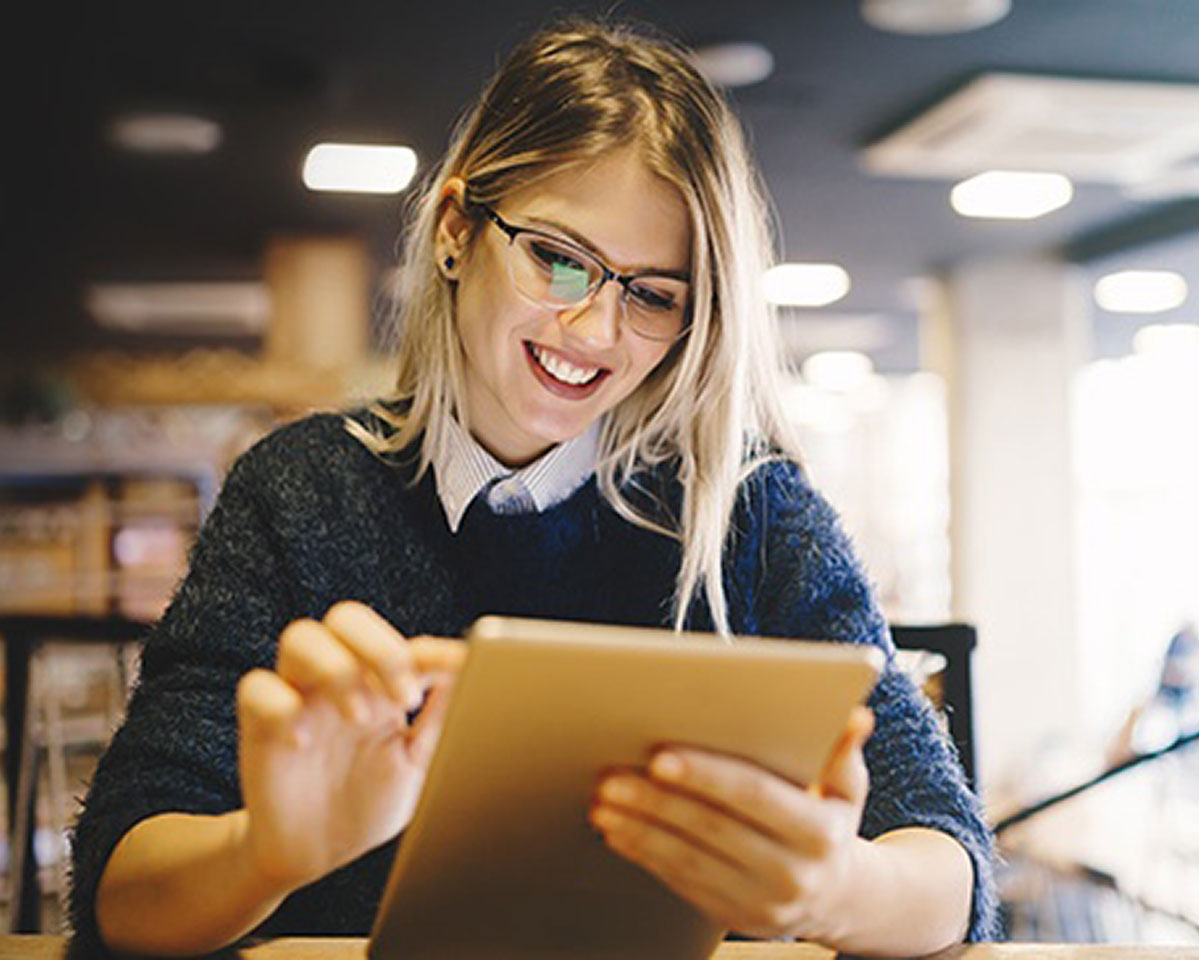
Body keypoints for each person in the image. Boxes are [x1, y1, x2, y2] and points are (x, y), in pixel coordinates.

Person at [69, 16, 999, 958]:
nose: (594, 332)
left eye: (652, 294)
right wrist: (267, 852)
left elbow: (947, 863)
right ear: (456, 231)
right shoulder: (301, 490)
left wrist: (837, 888)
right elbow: (123, 891)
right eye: (558, 258)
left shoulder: (750, 509)